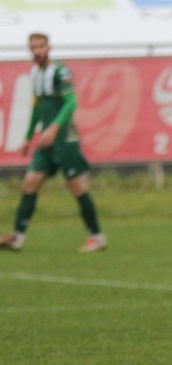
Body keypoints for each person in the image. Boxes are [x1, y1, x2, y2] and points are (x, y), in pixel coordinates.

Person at [0, 33, 107, 253]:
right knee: (29, 183)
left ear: (49, 47)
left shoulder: (60, 71)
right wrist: (28, 137)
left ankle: (96, 236)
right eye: (33, 47)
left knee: (77, 187)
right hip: (46, 142)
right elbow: (37, 107)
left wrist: (54, 127)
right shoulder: (35, 73)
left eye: (41, 46)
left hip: (65, 139)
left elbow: (71, 102)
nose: (37, 51)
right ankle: (18, 237)